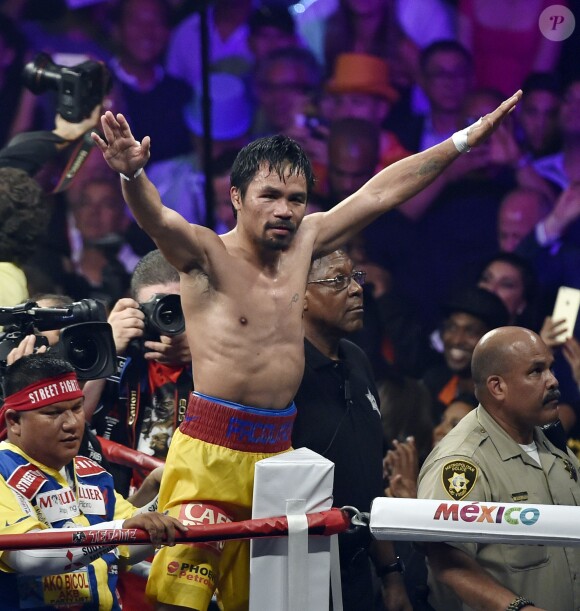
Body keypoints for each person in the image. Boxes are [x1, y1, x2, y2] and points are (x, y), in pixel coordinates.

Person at [91, 89, 521, 610]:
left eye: (296, 199)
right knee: (179, 602)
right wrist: (132, 176)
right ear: (236, 198)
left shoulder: (306, 244)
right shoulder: (205, 253)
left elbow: (383, 192)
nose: (285, 210)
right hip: (208, 453)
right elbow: (156, 219)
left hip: (280, 456)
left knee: (270, 604)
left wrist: (461, 140)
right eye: (269, 195)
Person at [0, 352, 186, 610]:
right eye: (53, 413)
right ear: (14, 421)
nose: (72, 424)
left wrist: (164, 497)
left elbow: (128, 549)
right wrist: (119, 531)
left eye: (77, 407)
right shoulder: (2, 471)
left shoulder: (89, 471)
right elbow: (28, 555)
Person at [417, 326, 580, 610]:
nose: (553, 381)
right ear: (498, 387)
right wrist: (519, 609)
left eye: (550, 369)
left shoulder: (551, 443)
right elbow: (447, 563)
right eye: (536, 371)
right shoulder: (462, 463)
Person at [291, 249, 411, 611]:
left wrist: (390, 573)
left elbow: (368, 475)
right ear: (301, 294)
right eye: (337, 280)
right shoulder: (282, 372)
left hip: (359, 571)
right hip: (299, 568)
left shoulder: (356, 358)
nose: (357, 289)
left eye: (355, 277)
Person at [87, 249, 192, 496]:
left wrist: (203, 354)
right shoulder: (120, 358)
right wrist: (106, 348)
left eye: (178, 307)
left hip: (193, 497)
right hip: (123, 500)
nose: (167, 317)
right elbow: (75, 420)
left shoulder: (222, 355)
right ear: (136, 308)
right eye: (156, 308)